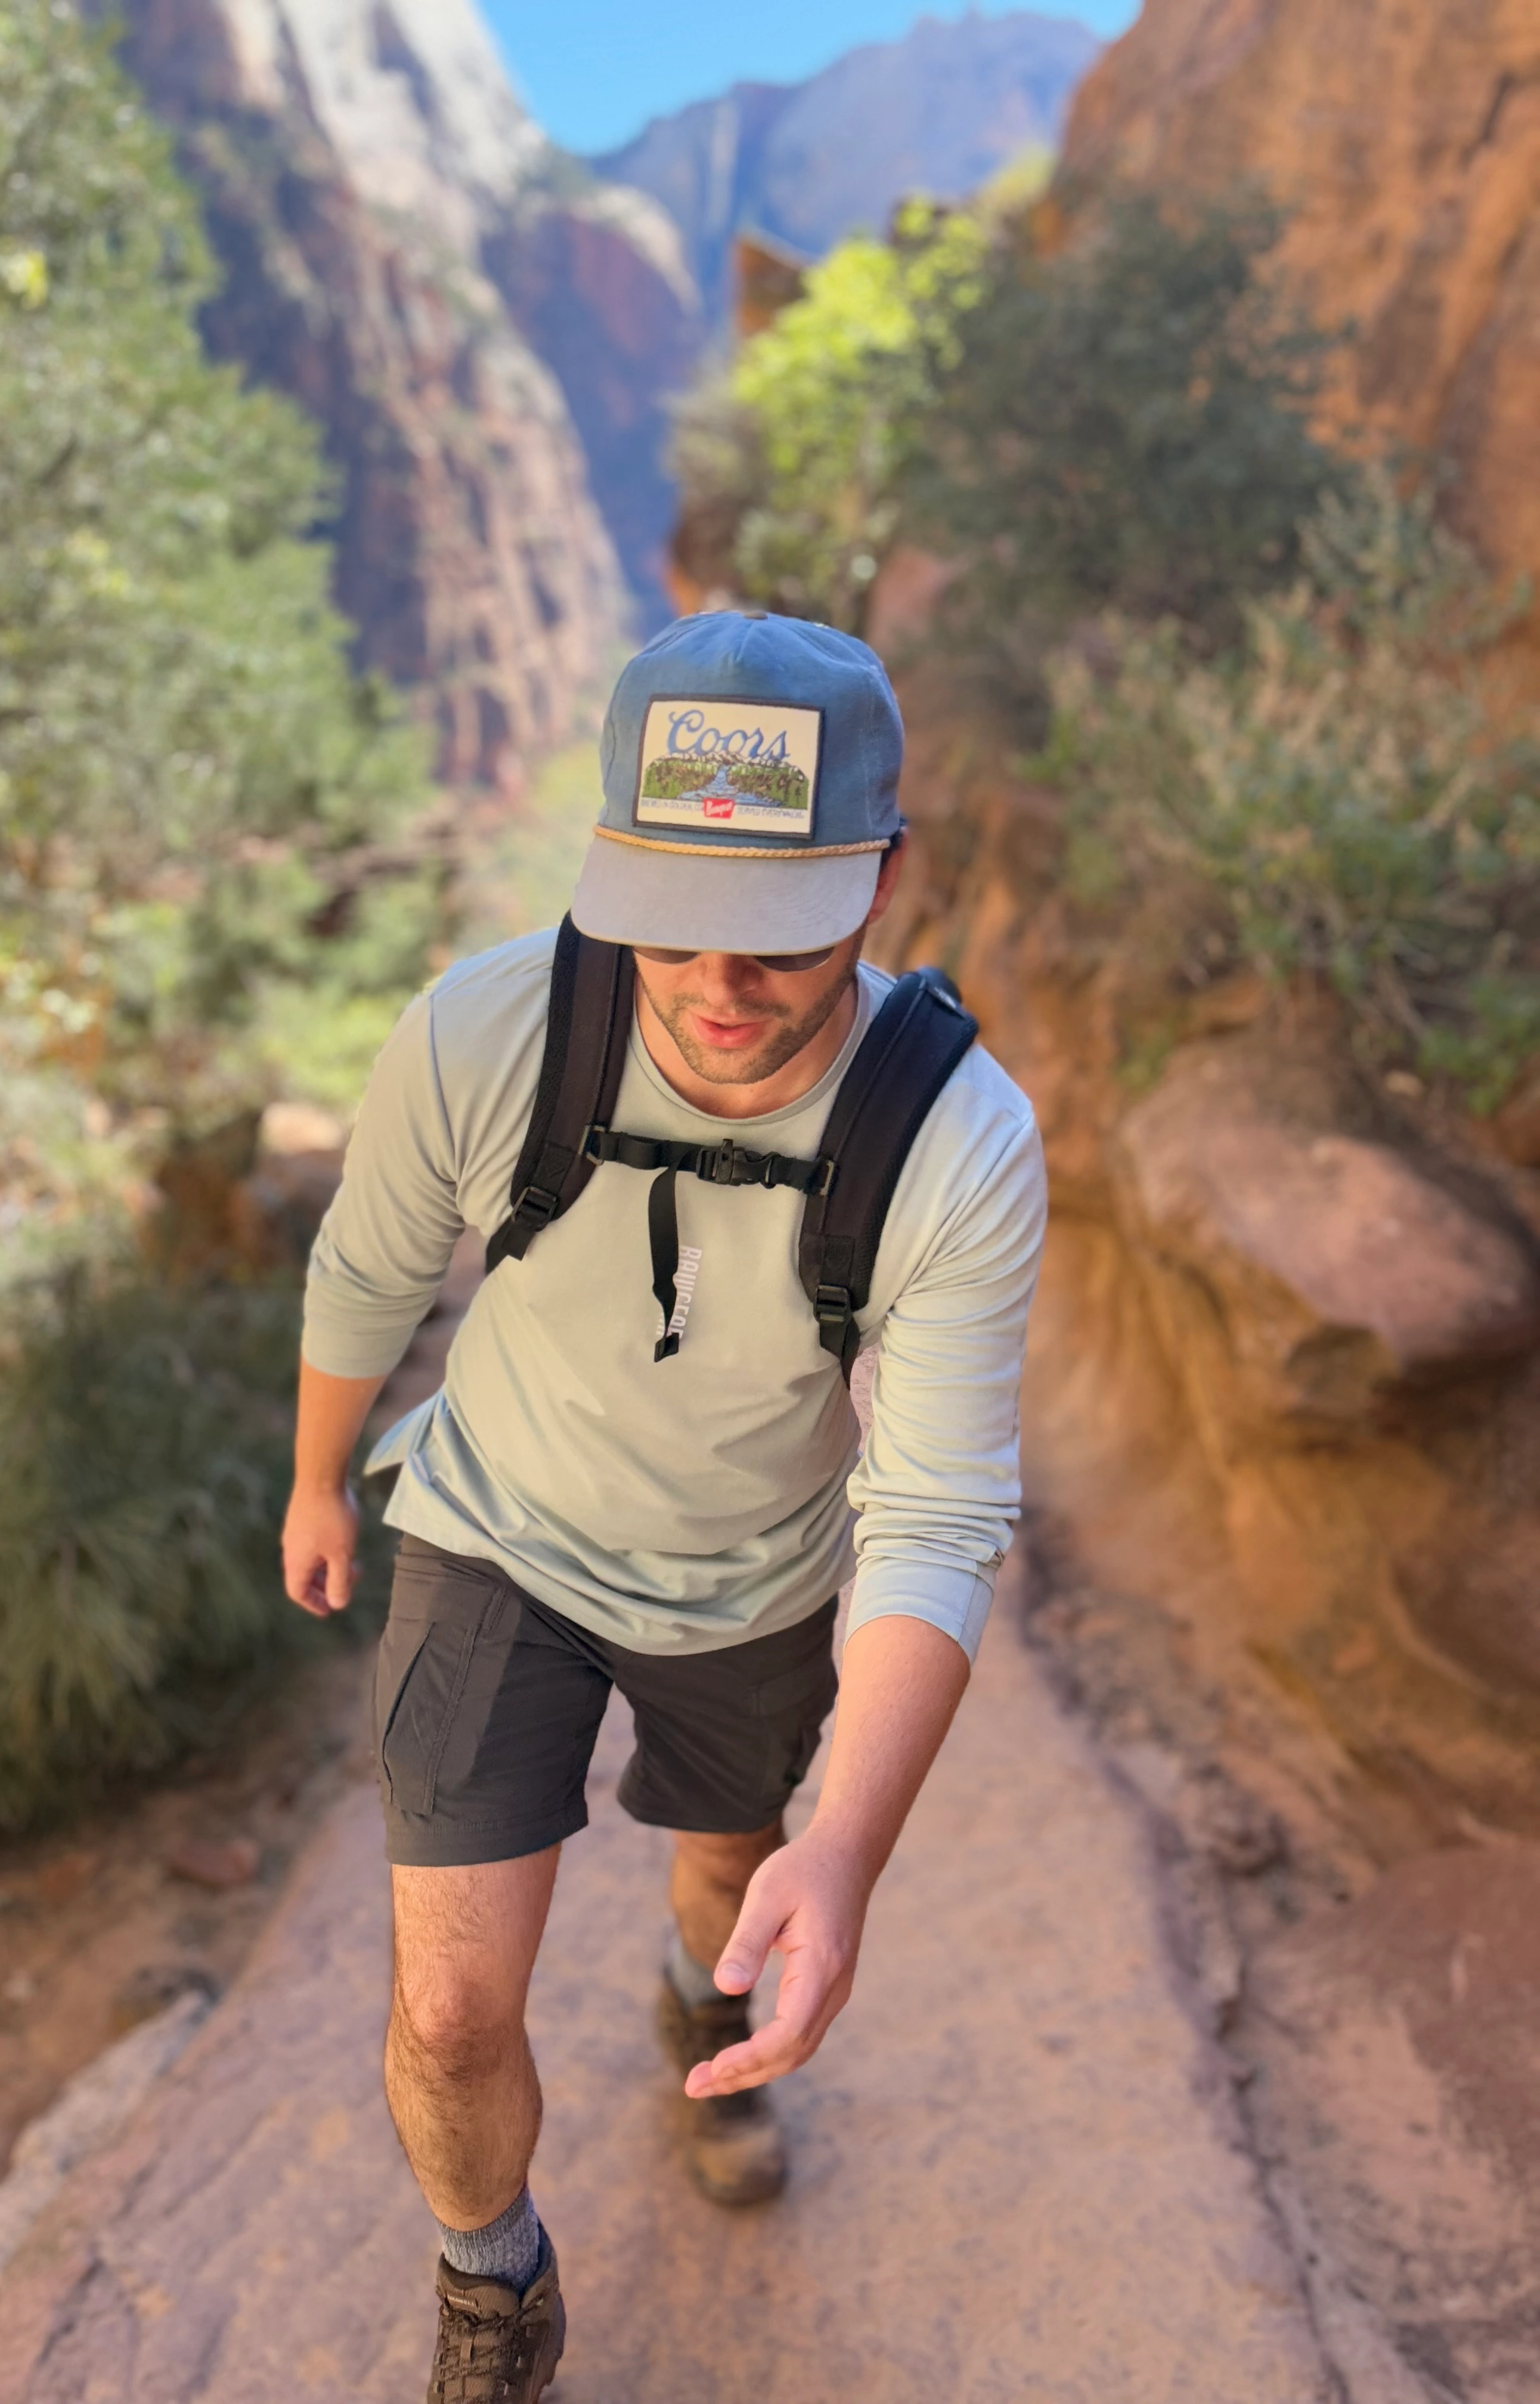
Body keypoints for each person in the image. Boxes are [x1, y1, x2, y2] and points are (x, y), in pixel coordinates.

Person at [281, 611, 1047, 2403]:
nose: (715, 983)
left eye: (781, 937)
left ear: (880, 879)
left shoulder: (953, 1139)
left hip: (760, 1576)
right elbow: (373, 1267)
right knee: (453, 2006)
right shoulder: (486, 1035)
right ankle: (494, 2285)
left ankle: (700, 2003)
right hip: (497, 1532)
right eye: (669, 914)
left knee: (731, 1874)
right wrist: (322, 1477)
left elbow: (936, 1518)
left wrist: (842, 1856)